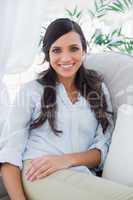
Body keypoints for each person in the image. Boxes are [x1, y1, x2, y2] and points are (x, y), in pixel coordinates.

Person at [0, 18, 132, 200]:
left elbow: (102, 148)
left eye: (74, 48)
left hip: (79, 174)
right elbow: (9, 155)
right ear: (47, 54)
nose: (66, 58)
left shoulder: (98, 89)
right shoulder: (30, 91)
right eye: (56, 50)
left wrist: (66, 160)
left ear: (84, 50)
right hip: (37, 173)